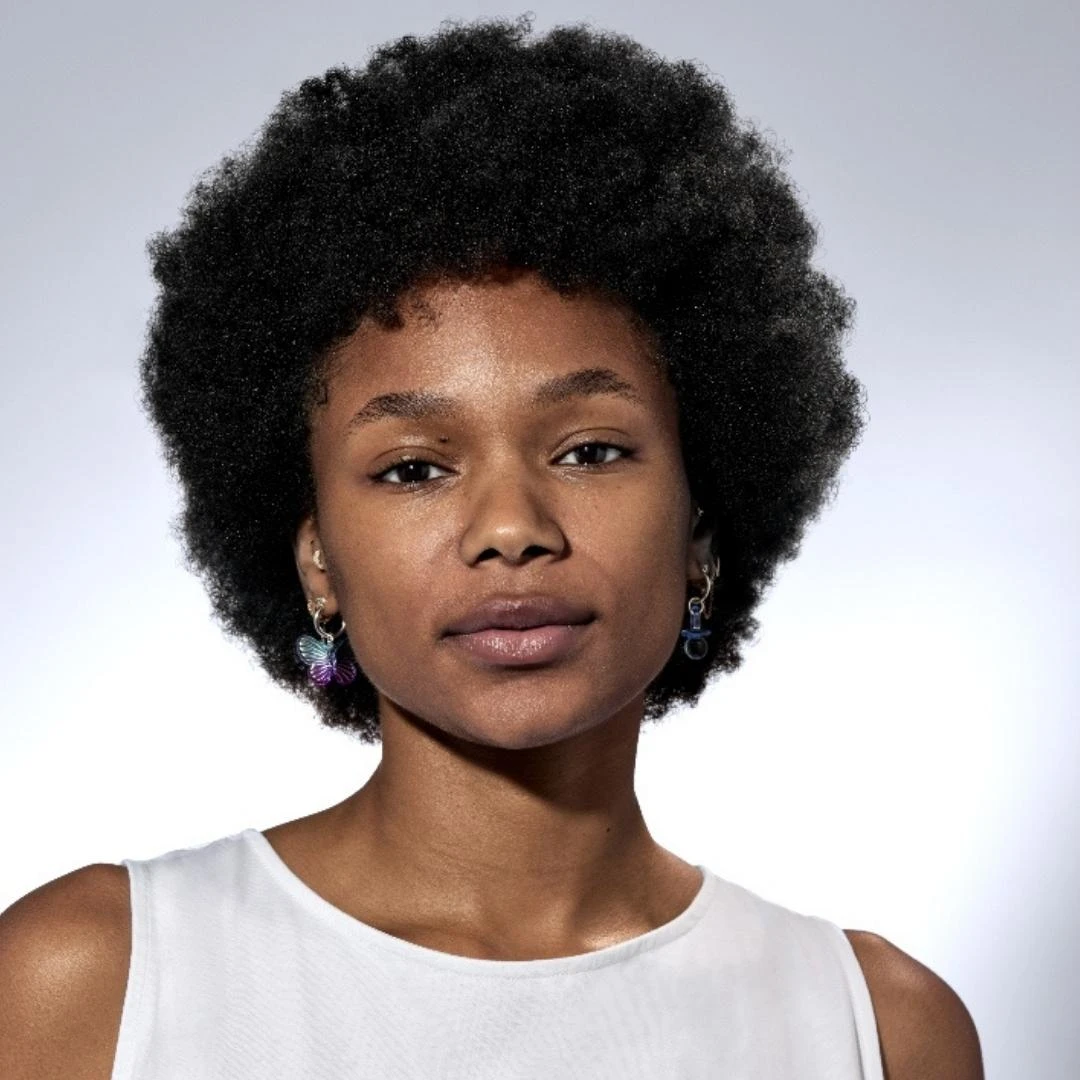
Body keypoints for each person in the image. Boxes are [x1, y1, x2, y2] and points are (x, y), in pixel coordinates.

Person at [0, 14, 983, 1079]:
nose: (512, 529)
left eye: (592, 450)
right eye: (412, 469)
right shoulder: (95, 981)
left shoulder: (882, 1029)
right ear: (317, 559)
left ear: (699, 534)